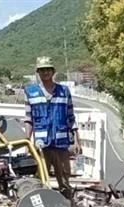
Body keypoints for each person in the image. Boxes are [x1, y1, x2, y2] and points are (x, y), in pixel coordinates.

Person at [23, 56, 81, 199]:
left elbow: (70, 117)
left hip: (61, 143)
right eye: (42, 70)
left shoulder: (63, 91)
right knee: (41, 178)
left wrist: (76, 141)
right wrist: (26, 142)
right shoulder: (30, 92)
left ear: (53, 71)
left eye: (48, 69)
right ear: (38, 72)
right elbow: (28, 119)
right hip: (42, 144)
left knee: (64, 177)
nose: (45, 73)